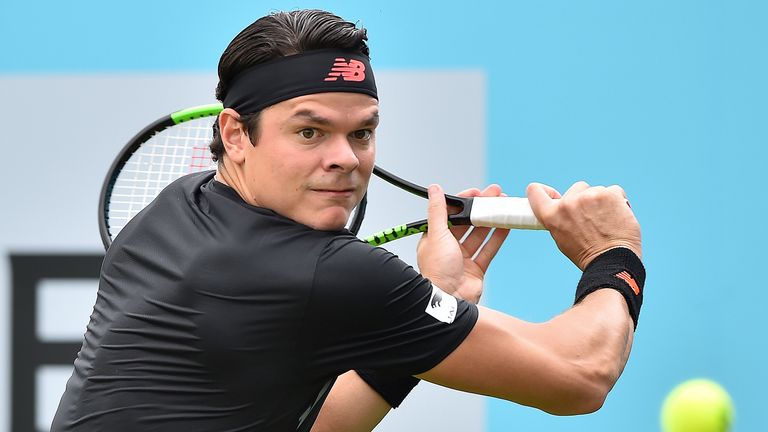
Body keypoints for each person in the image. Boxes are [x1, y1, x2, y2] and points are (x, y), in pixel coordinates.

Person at [51, 9, 644, 432]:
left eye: (362, 132)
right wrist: (613, 256)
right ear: (235, 134)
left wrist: (431, 304)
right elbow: (579, 376)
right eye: (310, 132)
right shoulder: (325, 274)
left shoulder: (175, 208)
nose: (345, 158)